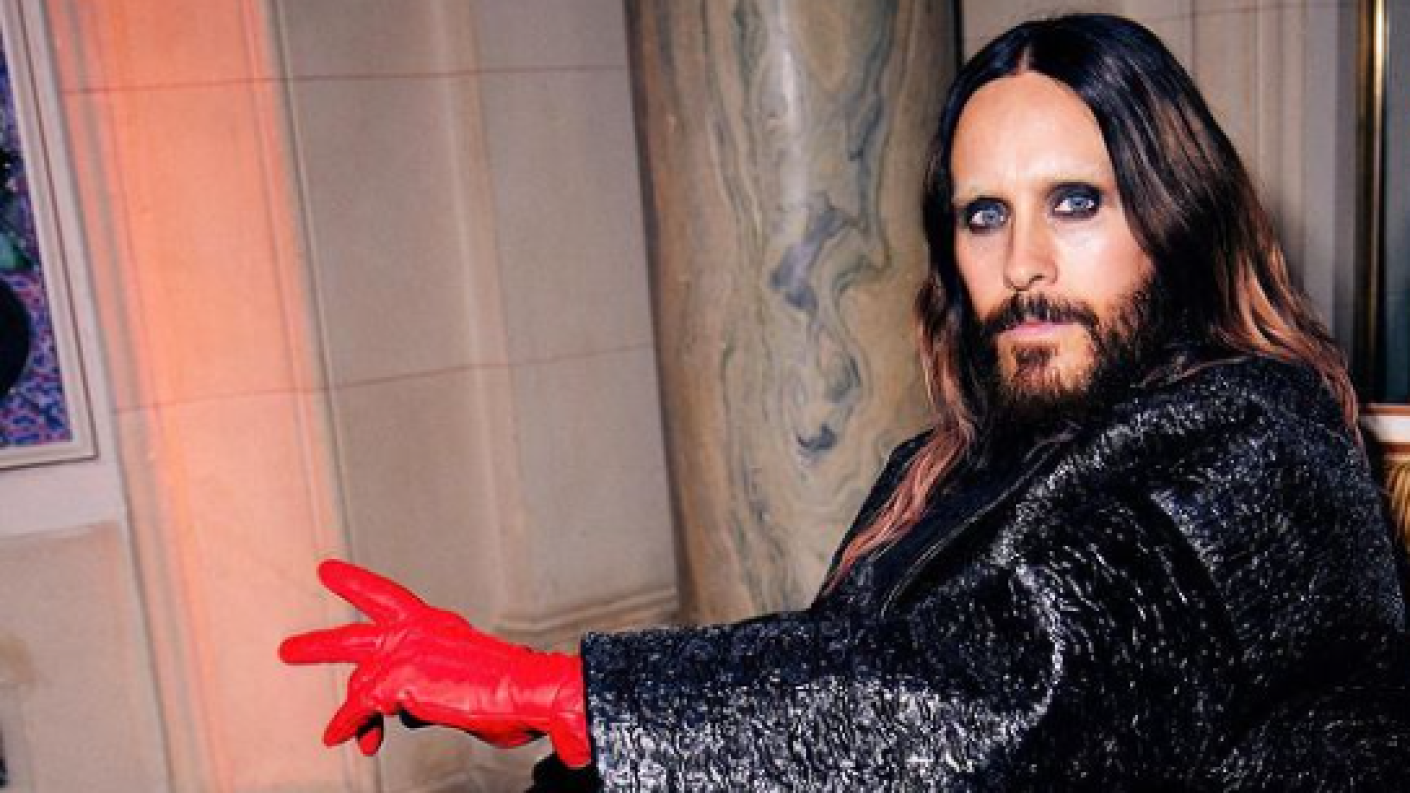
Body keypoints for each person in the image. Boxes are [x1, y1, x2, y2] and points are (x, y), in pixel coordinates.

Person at [281, 14, 1410, 790]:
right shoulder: (952, 462)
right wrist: (582, 727)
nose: (1022, 263)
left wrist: (563, 691)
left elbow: (1014, 694)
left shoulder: (1265, 444)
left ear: (1178, 214)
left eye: (1076, 202)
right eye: (983, 215)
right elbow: (838, 681)